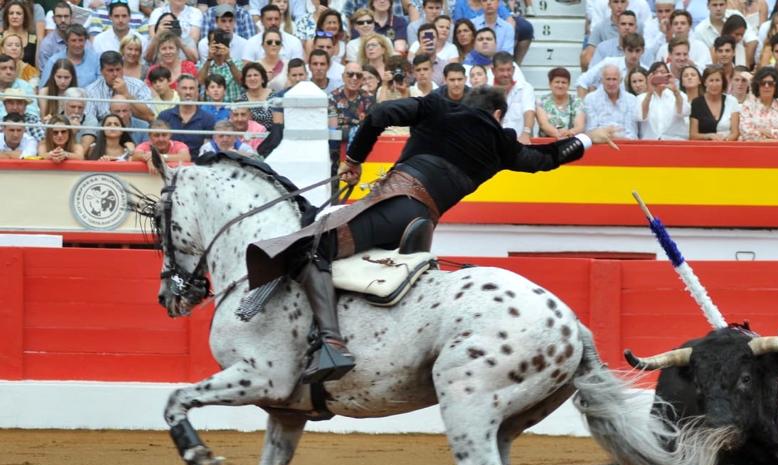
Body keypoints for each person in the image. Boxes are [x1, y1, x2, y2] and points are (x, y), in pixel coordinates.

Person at [244, 86, 621, 382]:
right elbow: (547, 158)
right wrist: (590, 137)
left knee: (310, 248)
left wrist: (354, 160)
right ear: (497, 115)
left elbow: (377, 114)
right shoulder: (502, 142)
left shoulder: (440, 106)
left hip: (396, 204)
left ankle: (330, 343)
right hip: (421, 228)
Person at [84, 51, 155, 124]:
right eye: (110, 70)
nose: (115, 74)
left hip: (133, 130)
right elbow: (89, 122)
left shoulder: (138, 86)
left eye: (118, 69)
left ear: (123, 68)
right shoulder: (91, 91)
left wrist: (126, 95)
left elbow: (150, 116)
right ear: (101, 72)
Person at [158, 74, 216, 159]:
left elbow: (207, 151)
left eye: (191, 88)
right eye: (184, 88)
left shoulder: (208, 118)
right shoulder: (164, 116)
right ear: (177, 90)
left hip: (197, 166)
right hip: (169, 163)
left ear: (197, 91)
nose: (188, 92)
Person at [583, 62, 638, 138]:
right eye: (608, 79)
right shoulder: (590, 99)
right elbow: (591, 130)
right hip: (600, 145)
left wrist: (618, 139)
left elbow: (632, 131)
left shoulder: (631, 99)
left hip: (626, 144)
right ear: (602, 80)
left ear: (620, 80)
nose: (611, 83)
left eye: (614, 79)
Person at [636, 61, 687, 139]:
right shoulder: (641, 98)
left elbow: (684, 112)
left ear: (668, 75)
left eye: (663, 72)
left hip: (675, 142)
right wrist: (649, 93)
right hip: (651, 143)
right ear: (649, 76)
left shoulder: (679, 94)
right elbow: (641, 117)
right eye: (655, 73)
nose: (659, 75)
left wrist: (676, 91)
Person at [739, 65, 778, 140]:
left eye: (770, 83)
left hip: (777, 149)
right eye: (763, 83)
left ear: (776, 86)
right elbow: (745, 132)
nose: (766, 86)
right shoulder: (748, 106)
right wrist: (772, 138)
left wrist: (765, 131)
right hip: (753, 149)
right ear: (757, 85)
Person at [689, 63, 740, 140]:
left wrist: (724, 141)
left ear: (723, 82)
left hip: (726, 146)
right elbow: (693, 135)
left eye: (717, 80)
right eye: (711, 80)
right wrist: (709, 136)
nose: (714, 84)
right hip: (704, 147)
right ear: (705, 82)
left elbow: (735, 133)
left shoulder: (732, 101)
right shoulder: (696, 103)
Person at [536, 66, 585, 138]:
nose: (560, 85)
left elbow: (580, 126)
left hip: (570, 142)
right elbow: (544, 124)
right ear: (550, 84)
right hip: (547, 143)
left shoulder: (576, 101)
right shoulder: (541, 101)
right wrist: (559, 135)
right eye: (557, 82)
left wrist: (569, 133)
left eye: (564, 82)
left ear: (568, 85)